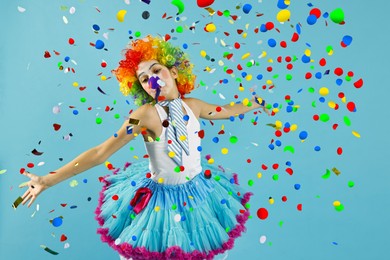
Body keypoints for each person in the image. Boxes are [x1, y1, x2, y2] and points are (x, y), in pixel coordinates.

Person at [19, 35, 269, 260]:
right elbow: (100, 153)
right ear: (142, 88)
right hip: (159, 201)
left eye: (156, 70)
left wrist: (254, 104)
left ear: (173, 71)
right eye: (145, 79)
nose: (153, 80)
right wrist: (47, 181)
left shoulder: (194, 106)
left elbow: (225, 111)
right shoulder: (144, 116)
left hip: (198, 194)